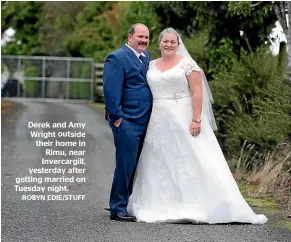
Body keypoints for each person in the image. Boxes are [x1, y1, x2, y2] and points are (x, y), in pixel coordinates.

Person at [127, 27, 268, 224]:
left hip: (184, 117)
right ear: (159, 43)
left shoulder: (188, 65)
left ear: (178, 44)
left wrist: (196, 119)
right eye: (165, 41)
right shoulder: (149, 65)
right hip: (158, 120)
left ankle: (209, 204)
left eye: (172, 42)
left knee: (196, 158)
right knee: (161, 161)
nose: (168, 44)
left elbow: (197, 93)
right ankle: (162, 203)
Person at [103, 23, 152, 222]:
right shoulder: (117, 57)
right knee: (125, 164)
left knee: (136, 164)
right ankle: (117, 208)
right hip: (127, 120)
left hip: (145, 119)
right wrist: (117, 117)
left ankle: (127, 202)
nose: (144, 41)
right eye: (140, 36)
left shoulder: (146, 57)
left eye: (147, 38)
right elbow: (110, 90)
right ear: (130, 37)